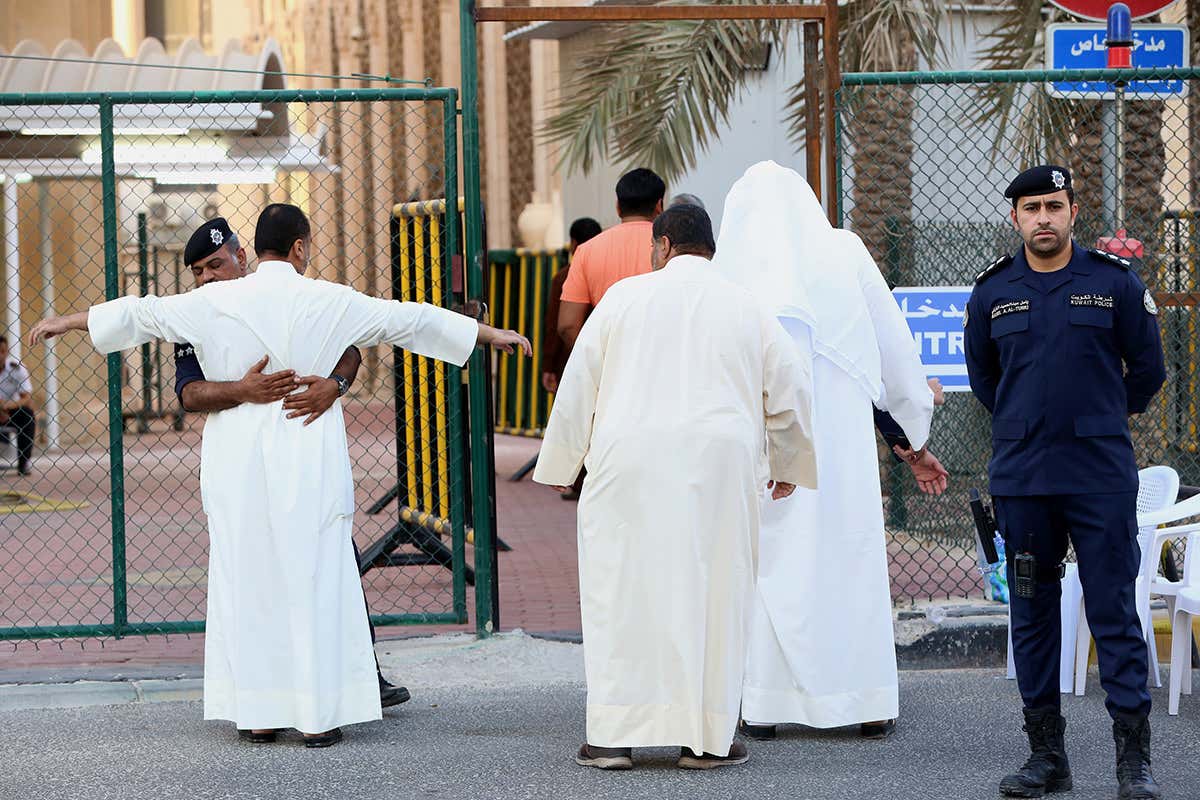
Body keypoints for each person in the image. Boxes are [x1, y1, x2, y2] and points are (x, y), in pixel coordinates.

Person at [29, 203, 531, 747]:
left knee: (247, 577)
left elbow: (139, 313)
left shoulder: (208, 303)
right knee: (313, 575)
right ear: (300, 246)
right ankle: (317, 716)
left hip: (236, 459)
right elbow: (407, 319)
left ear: (252, 251)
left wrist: (67, 322)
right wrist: (487, 333)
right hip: (307, 449)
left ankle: (259, 715)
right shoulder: (331, 299)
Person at [533, 203, 818, 771]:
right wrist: (787, 462)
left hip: (627, 464)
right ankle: (707, 739)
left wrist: (561, 464)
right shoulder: (747, 306)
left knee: (621, 591)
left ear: (661, 246)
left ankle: (613, 737)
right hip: (719, 467)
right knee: (715, 591)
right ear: (712, 249)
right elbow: (789, 387)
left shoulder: (622, 299)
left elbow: (579, 384)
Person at [714, 161, 936, 743]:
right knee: (849, 557)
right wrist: (912, 431)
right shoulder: (845, 251)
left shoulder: (730, 267)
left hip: (762, 445)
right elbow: (894, 348)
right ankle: (866, 701)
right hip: (842, 452)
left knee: (769, 565)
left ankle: (762, 705)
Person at [964, 165, 1165, 799]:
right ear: (1016, 218)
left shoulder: (1113, 284)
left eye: (1054, 205)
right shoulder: (993, 293)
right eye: (1031, 208)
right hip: (1024, 478)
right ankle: (1047, 758)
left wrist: (1099, 418)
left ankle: (1133, 764)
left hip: (1100, 474)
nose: (1043, 218)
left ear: (1073, 211)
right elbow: (986, 382)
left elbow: (1149, 371)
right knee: (1032, 613)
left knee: (1112, 609)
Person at [173, 217, 410, 710]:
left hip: (304, 457)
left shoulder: (303, 299)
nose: (206, 278)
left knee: (327, 563)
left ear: (243, 256)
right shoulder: (196, 316)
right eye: (197, 271)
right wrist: (242, 390)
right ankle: (267, 697)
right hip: (248, 467)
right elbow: (190, 393)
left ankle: (360, 676)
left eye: (214, 265)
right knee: (258, 576)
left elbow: (349, 352)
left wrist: (335, 385)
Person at [556, 168, 665, 350]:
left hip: (610, 367)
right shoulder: (671, 247)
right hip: (660, 360)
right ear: (659, 205)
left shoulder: (587, 250)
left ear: (618, 207)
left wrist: (599, 361)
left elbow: (567, 325)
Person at [541, 217, 602, 397]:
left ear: (573, 244)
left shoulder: (563, 277)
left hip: (571, 360)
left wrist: (549, 366)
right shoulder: (606, 271)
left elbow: (555, 326)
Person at [0, 336, 35, 475]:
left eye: (2, 351)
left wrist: (9, 406)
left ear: (7, 351)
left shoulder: (17, 369)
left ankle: (23, 463)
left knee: (28, 416)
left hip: (10, 409)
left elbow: (26, 398)